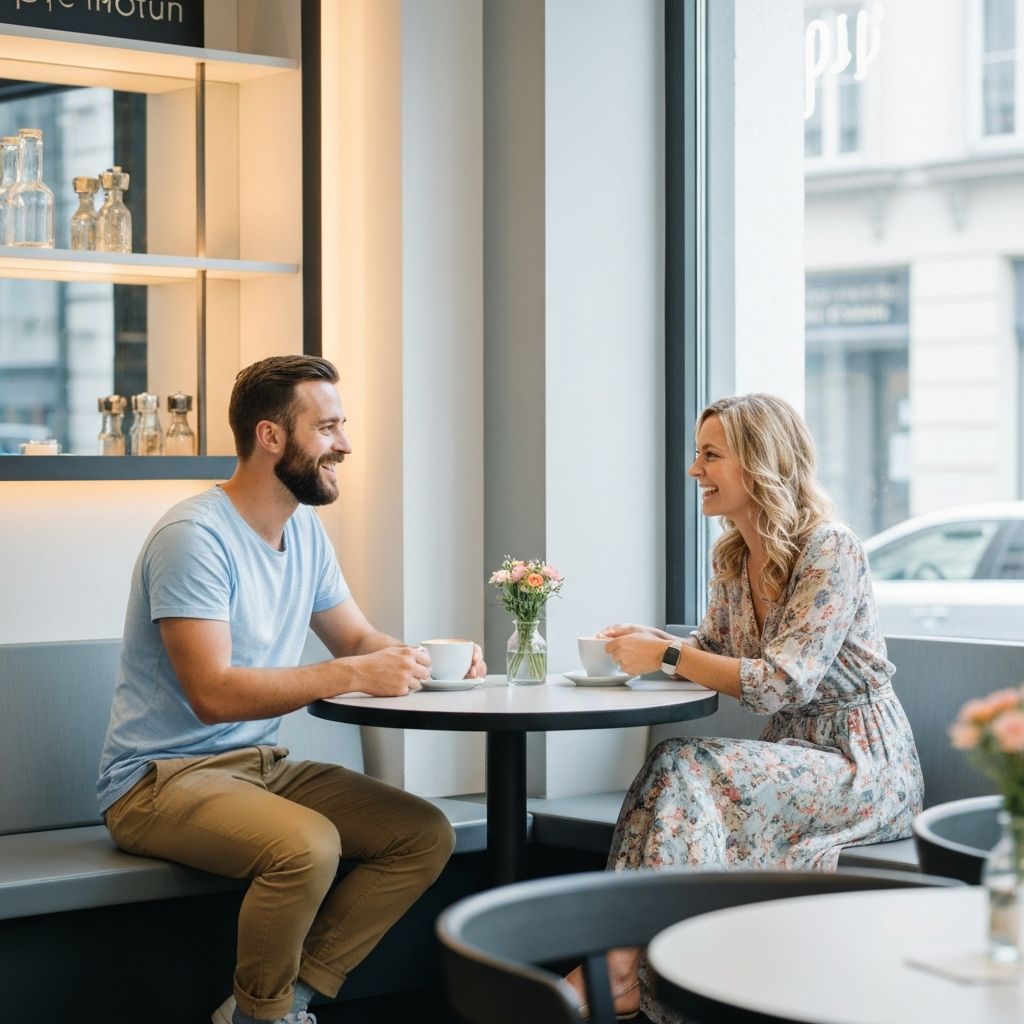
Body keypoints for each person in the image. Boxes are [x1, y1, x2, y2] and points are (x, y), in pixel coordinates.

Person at [97, 355, 486, 1024]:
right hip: (157, 781)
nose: (345, 443)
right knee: (306, 847)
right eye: (327, 427)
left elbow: (357, 642)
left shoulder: (303, 530)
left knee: (422, 833)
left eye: (342, 426)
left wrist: (424, 659)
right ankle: (264, 1016)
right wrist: (353, 674)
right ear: (271, 436)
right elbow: (212, 695)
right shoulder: (194, 537)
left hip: (256, 768)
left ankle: (282, 1001)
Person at [567, 393, 923, 1024]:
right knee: (670, 767)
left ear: (759, 462)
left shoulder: (830, 549)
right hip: (794, 754)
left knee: (682, 765)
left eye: (710, 455)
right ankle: (635, 967)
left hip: (863, 763)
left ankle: (631, 970)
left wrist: (666, 657)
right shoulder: (733, 556)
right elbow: (714, 649)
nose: (693, 469)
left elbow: (782, 683)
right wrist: (657, 643)